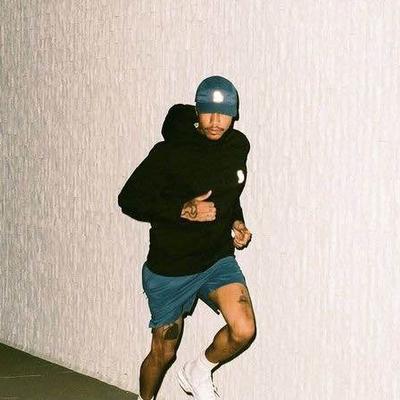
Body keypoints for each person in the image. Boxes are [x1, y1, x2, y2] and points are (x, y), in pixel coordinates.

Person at [118, 76, 256, 400]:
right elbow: (129, 199)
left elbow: (228, 192)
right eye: (208, 112)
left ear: (234, 115)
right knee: (163, 352)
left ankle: (199, 370)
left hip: (216, 259)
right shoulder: (169, 152)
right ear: (197, 111)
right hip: (172, 266)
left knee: (244, 329)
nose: (216, 121)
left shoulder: (238, 147)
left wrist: (237, 221)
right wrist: (183, 209)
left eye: (224, 114)